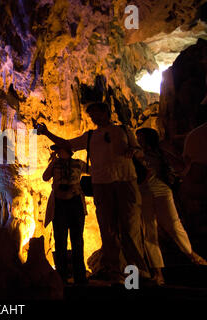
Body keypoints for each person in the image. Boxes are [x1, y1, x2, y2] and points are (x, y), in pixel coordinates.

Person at [37, 102, 149, 283]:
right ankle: (117, 274)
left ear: (106, 112)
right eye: (91, 116)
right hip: (101, 185)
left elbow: (139, 152)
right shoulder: (90, 136)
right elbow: (66, 143)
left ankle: (136, 277)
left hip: (125, 181)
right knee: (108, 230)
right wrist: (46, 132)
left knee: (130, 228)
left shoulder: (123, 130)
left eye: (96, 113)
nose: (93, 118)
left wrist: (133, 150)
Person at [136, 128, 207, 286]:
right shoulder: (136, 155)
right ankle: (158, 273)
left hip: (161, 190)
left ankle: (192, 255)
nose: (139, 140)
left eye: (141, 138)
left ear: (149, 139)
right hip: (143, 193)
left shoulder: (160, 153)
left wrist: (185, 169)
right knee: (149, 232)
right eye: (137, 138)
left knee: (173, 225)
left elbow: (178, 166)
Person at [43, 145, 88, 285]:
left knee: (77, 240)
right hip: (59, 203)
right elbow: (45, 177)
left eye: (60, 149)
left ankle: (80, 276)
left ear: (68, 151)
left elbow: (94, 171)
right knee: (60, 239)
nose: (57, 152)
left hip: (75, 202)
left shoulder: (79, 163)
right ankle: (61, 276)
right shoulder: (55, 164)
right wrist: (52, 162)